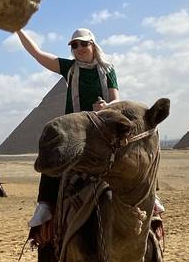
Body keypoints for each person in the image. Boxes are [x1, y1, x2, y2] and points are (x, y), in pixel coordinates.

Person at [15, 27, 119, 232]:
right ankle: (45, 204)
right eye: (74, 45)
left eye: (83, 43)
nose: (79, 48)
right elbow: (37, 53)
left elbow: (116, 99)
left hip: (102, 126)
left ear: (93, 44)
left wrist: (107, 107)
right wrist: (19, 30)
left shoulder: (108, 70)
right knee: (52, 150)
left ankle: (150, 195)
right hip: (76, 128)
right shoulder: (69, 68)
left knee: (137, 140)